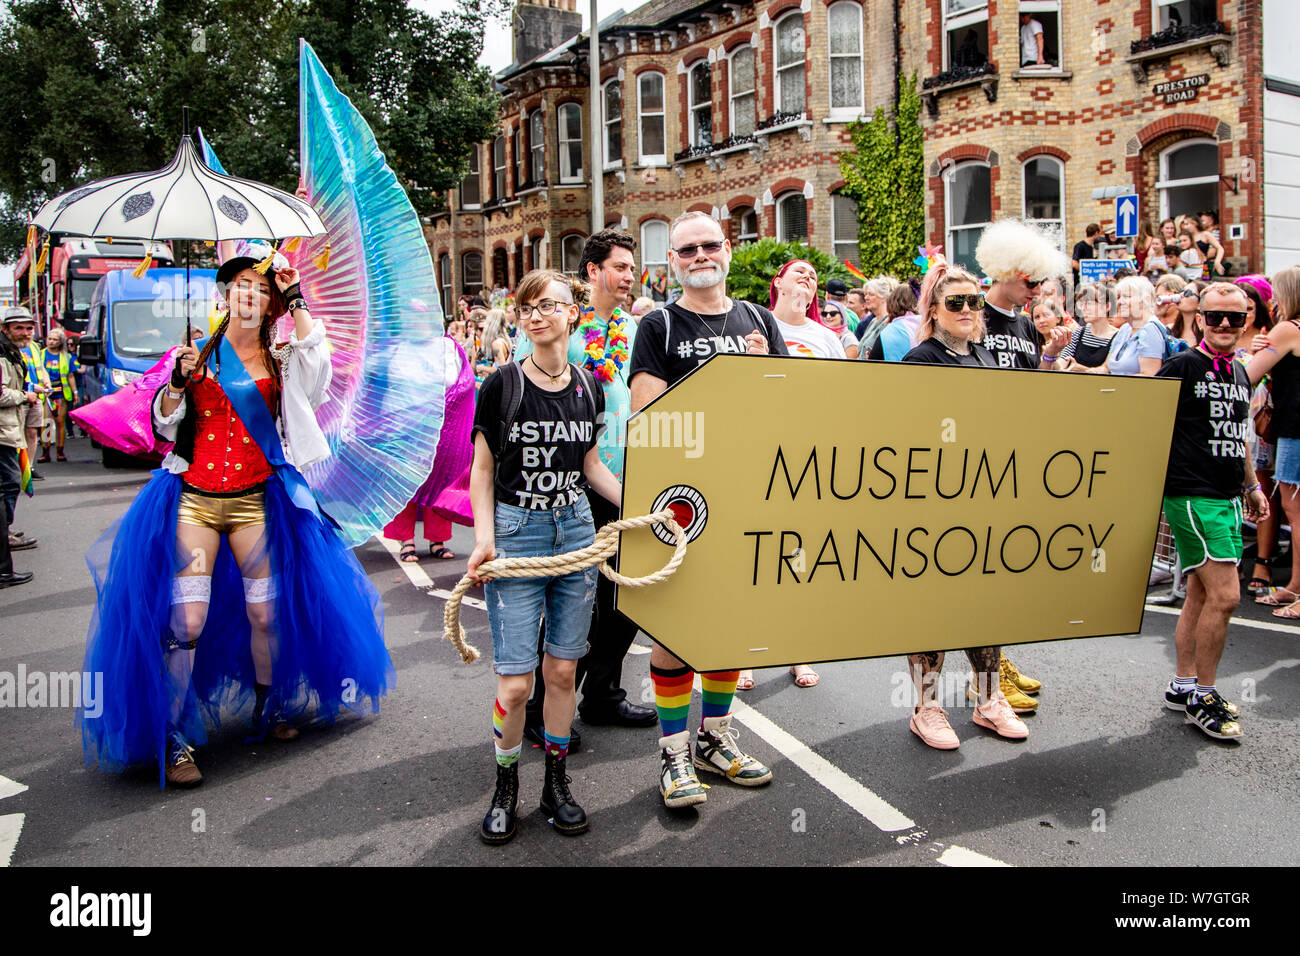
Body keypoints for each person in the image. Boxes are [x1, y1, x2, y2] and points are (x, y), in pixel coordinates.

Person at [78, 250, 393, 788]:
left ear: (269, 303)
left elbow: (320, 366)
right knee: (188, 623)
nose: (251, 294)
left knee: (265, 617)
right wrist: (176, 384)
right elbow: (160, 420)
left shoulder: (282, 359)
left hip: (255, 501)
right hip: (195, 501)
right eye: (242, 285)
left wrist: (297, 298)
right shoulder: (194, 352)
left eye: (261, 288)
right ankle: (174, 736)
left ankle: (268, 710)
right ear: (225, 295)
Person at [628, 210, 784, 807]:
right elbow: (648, 416)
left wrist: (757, 372)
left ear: (727, 249)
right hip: (686, 503)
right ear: (672, 261)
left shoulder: (760, 320)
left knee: (729, 625)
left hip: (751, 492)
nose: (699, 257)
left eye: (708, 246)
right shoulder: (659, 325)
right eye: (686, 250)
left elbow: (786, 405)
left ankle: (714, 739)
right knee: (678, 625)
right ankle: (673, 753)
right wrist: (725, 385)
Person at [467, 269, 622, 843]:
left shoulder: (589, 386)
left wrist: (646, 514)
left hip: (577, 533)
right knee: (515, 685)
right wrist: (484, 539)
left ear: (571, 315)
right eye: (527, 307)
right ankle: (505, 783)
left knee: (562, 672)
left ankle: (556, 783)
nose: (535, 315)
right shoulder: (502, 386)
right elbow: (482, 471)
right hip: (517, 535)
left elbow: (591, 467)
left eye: (548, 305)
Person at [515, 229, 657, 739]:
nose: (628, 276)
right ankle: (539, 712)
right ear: (593, 271)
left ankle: (602, 694)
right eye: (620, 266)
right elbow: (522, 398)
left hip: (622, 478)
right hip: (569, 487)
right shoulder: (560, 323)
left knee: (627, 597)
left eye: (631, 267)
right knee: (569, 600)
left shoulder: (635, 328)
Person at [900, 261, 1031, 747]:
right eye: (955, 302)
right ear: (933, 309)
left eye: (974, 302)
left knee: (984, 602)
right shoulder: (921, 359)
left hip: (985, 497)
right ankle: (926, 707)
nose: (967, 310)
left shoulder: (986, 357)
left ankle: (989, 699)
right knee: (933, 606)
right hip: (933, 500)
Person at [1157, 283, 1267, 739]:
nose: (1225, 324)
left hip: (1226, 496)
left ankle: (1183, 685)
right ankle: (1204, 696)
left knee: (1202, 595)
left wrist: (1253, 486)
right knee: (1227, 596)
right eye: (1215, 316)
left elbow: (1238, 436)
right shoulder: (1182, 365)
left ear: (1247, 322)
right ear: (1199, 318)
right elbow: (1147, 422)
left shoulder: (1240, 373)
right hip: (1190, 495)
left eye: (1235, 318)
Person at [734, 259, 843, 692]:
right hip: (759, 454)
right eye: (799, 271)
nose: (808, 278)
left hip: (808, 458)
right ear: (777, 282)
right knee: (754, 553)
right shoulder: (755, 329)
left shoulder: (827, 338)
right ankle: (742, 649)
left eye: (814, 276)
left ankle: (797, 647)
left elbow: (842, 397)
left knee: (799, 554)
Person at [1246, 266, 1300, 615]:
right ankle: (1294, 585)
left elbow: (1248, 374)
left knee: (1296, 514)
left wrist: (1252, 353)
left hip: (1295, 428)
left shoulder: (1287, 329)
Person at [977, 219, 1070, 370]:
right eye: (1032, 281)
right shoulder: (969, 316)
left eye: (1041, 282)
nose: (1037, 291)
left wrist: (1051, 353)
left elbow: (1035, 382)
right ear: (1007, 270)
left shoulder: (1028, 326)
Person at [1235, 276, 1278, 595]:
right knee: (1231, 492)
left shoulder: (1267, 336)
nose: (1240, 317)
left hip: (1257, 421)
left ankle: (1263, 562)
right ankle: (1232, 558)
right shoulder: (1219, 335)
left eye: (1248, 309)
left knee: (1261, 489)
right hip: (1229, 421)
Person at [0, 308, 36, 587]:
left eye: (28, 328)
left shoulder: (13, 354)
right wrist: (25, 395)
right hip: (3, 432)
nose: (25, 333)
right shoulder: (3, 356)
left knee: (10, 485)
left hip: (10, 429)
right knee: (9, 485)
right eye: (18, 328)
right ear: (5, 329)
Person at [1095, 275, 1166, 376]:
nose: (1120, 302)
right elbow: (1106, 368)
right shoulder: (1125, 329)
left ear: (1146, 299)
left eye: (1127, 296)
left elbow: (1149, 376)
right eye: (1118, 297)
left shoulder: (1151, 330)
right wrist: (1082, 371)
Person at [39, 327, 78, 463]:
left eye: (55, 339)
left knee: (60, 421)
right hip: (45, 393)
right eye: (49, 338)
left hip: (61, 393)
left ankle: (60, 451)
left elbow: (71, 376)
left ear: (60, 342)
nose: (51, 341)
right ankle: (45, 452)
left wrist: (75, 392)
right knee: (46, 422)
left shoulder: (66, 357)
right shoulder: (40, 355)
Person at [1061, 283, 1117, 371]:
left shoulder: (1118, 337)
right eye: (1082, 303)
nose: (1084, 308)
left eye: (1090, 303)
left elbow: (1107, 370)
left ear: (1107, 306)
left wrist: (1081, 369)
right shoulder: (1078, 333)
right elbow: (1062, 362)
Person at [867, 281, 922, 362]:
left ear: (891, 303)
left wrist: (869, 359)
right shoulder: (927, 325)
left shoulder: (889, 332)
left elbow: (873, 365)